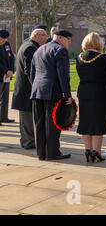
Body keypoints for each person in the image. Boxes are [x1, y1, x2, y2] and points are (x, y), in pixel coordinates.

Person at [30, 29, 73, 160]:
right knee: (53, 123)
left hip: (38, 90)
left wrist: (35, 87)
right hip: (52, 91)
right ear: (60, 38)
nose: (69, 42)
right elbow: (63, 75)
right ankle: (53, 152)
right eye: (68, 39)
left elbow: (33, 73)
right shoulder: (60, 50)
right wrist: (67, 94)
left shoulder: (39, 49)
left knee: (40, 123)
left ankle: (41, 153)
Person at [76, 32, 106, 163]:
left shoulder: (79, 57)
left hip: (84, 92)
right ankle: (97, 152)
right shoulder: (103, 58)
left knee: (85, 121)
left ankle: (88, 150)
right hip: (100, 93)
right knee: (99, 122)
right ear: (99, 43)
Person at [12, 28, 48, 149]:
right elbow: (30, 71)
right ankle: (28, 142)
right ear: (36, 35)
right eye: (43, 35)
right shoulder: (31, 48)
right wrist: (37, 87)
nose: (46, 38)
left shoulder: (27, 45)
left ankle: (28, 141)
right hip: (26, 90)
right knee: (27, 118)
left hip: (24, 90)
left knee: (27, 118)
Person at [0, 30, 15, 124]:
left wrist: (11, 70)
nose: (3, 41)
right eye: (1, 39)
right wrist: (6, 71)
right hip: (1, 74)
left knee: (5, 97)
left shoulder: (6, 44)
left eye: (5, 39)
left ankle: (4, 117)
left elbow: (11, 57)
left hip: (7, 75)